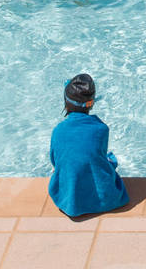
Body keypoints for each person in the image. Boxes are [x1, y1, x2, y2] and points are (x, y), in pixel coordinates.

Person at [48, 73, 128, 216]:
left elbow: (55, 161)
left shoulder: (58, 130)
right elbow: (98, 157)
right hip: (106, 199)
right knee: (109, 160)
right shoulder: (101, 129)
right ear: (91, 103)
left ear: (66, 103)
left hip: (69, 201)